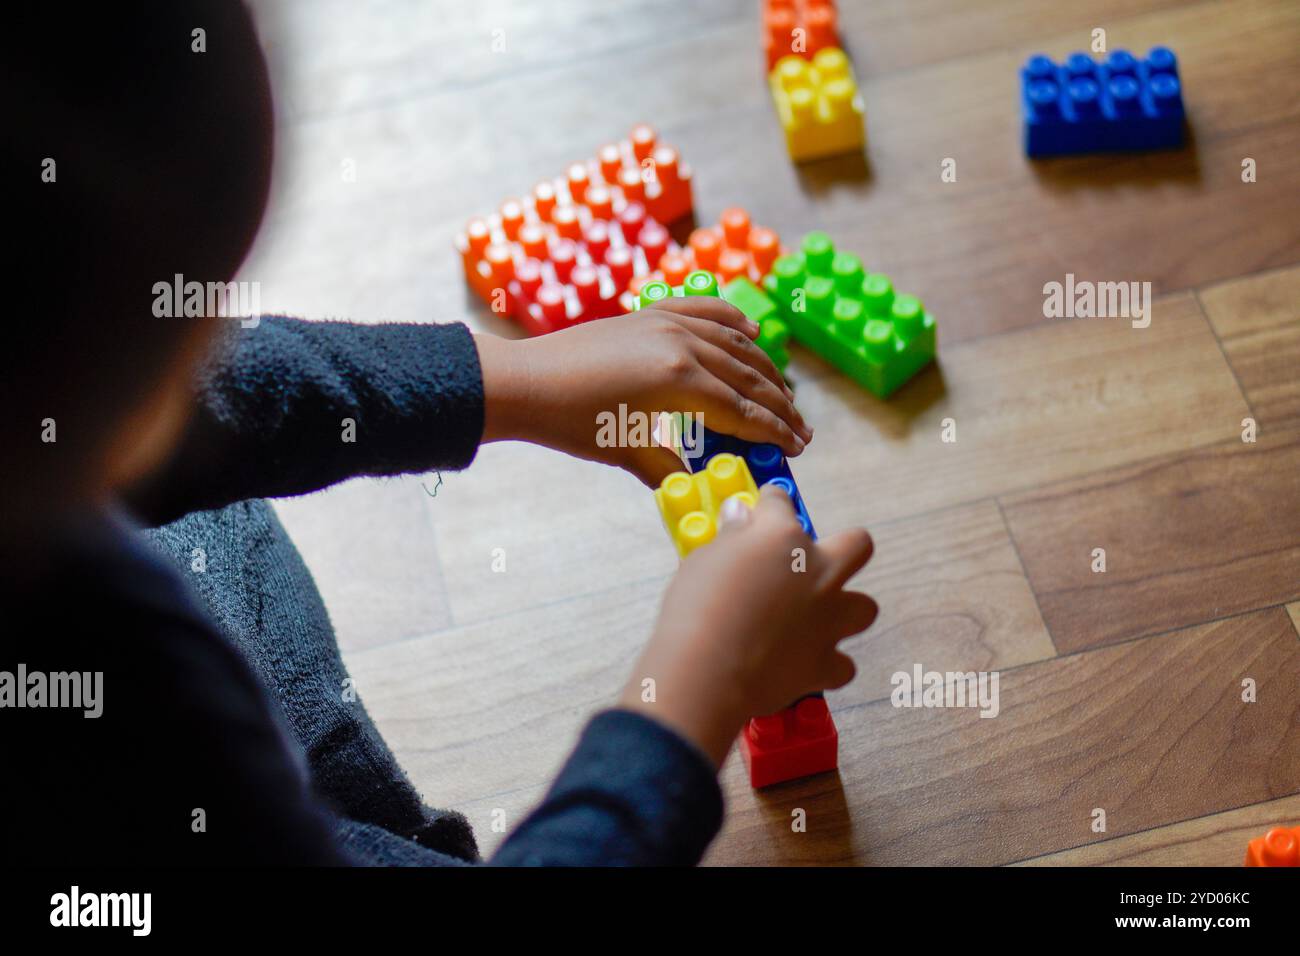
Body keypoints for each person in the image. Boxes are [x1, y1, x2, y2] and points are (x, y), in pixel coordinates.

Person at [1, 1, 877, 865]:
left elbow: (205, 394)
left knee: (203, 511)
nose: (210, 339)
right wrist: (698, 686)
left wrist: (506, 380)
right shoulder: (121, 703)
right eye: (187, 331)